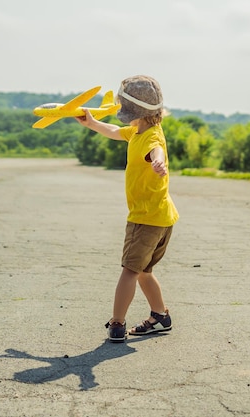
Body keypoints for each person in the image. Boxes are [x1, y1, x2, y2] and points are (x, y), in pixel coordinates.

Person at [75, 75, 179, 342]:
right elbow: (114, 131)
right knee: (143, 271)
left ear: (134, 112)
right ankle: (160, 316)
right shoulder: (138, 131)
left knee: (129, 271)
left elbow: (155, 151)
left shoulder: (150, 139)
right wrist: (92, 123)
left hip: (146, 219)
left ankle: (118, 323)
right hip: (162, 217)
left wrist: (159, 164)